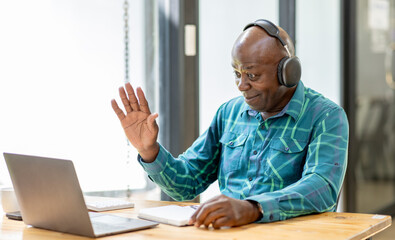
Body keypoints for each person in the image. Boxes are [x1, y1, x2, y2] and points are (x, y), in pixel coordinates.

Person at [111, 19, 349, 229]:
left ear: (287, 73)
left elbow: (321, 189)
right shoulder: (229, 113)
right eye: (237, 73)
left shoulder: (326, 116)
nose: (241, 85)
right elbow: (187, 183)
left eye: (252, 75)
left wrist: (253, 208)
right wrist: (149, 151)